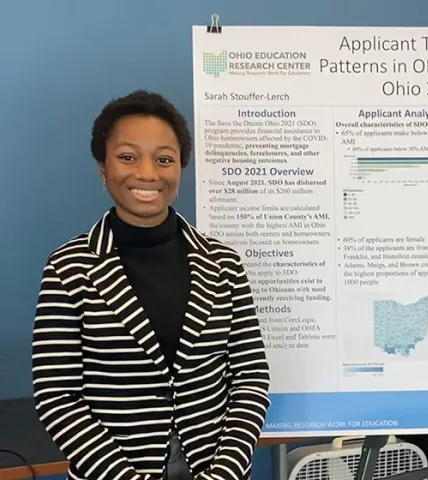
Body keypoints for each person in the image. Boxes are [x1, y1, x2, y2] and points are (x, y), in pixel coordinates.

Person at [32, 90, 271, 480]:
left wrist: (223, 473)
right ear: (102, 167)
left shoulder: (223, 263)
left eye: (164, 159)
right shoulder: (69, 267)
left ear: (180, 168)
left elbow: (250, 376)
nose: (147, 173)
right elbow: (58, 398)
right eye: (128, 156)